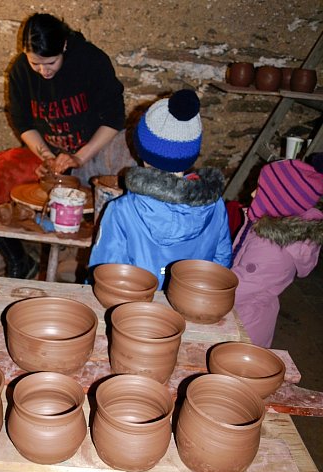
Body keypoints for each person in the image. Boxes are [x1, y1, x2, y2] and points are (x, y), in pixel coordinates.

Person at [0, 12, 135, 279]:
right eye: (35, 63)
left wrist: (79, 158)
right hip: (48, 150)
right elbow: (22, 122)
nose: (43, 71)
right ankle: (20, 260)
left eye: (50, 62)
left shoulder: (91, 61)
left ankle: (113, 263)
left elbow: (113, 119)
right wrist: (46, 157)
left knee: (127, 175)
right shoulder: (20, 70)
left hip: (95, 148)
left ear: (64, 46)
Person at [88, 89, 233, 290]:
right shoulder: (215, 205)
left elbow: (104, 274)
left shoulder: (122, 210)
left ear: (141, 151)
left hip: (136, 306)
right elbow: (221, 265)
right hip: (190, 303)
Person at [231, 157, 323, 348]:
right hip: (244, 313)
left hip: (244, 326)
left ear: (278, 203)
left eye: (260, 190)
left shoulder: (272, 249)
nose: (253, 193)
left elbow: (238, 289)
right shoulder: (265, 227)